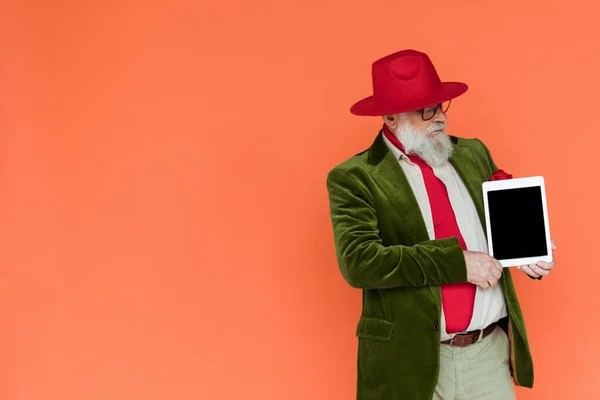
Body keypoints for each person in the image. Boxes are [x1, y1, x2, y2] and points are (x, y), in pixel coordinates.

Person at [325, 49, 557, 400]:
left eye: (440, 105)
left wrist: (527, 254)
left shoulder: (472, 153)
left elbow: (497, 226)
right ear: (390, 116)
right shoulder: (355, 177)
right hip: (410, 361)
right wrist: (458, 263)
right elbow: (359, 262)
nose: (440, 119)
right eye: (426, 110)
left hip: (487, 353)